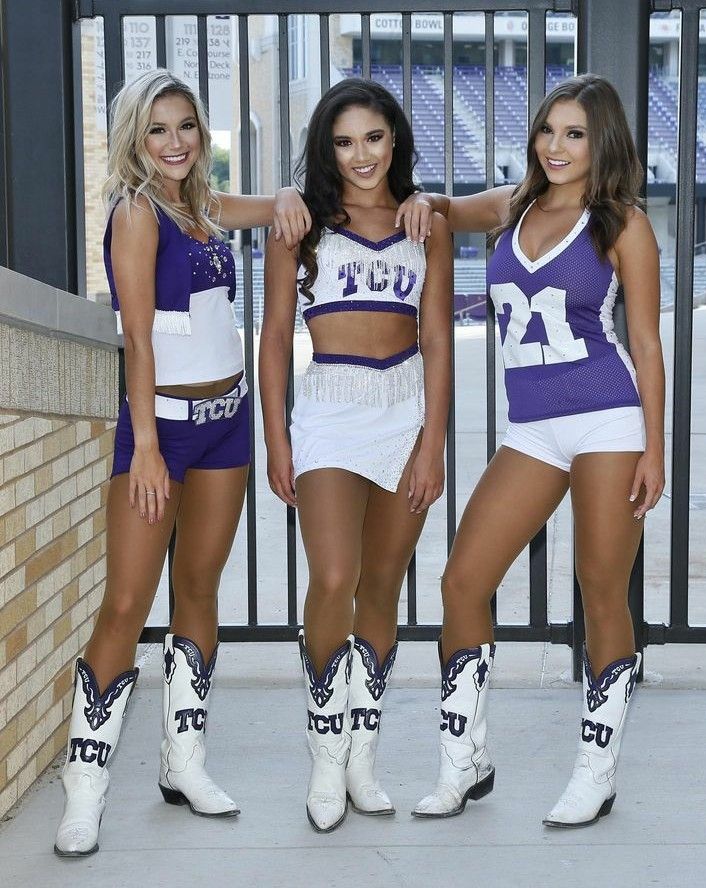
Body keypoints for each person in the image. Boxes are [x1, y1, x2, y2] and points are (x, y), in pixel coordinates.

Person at [396, 73, 665, 827]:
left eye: (574, 134)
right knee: (461, 581)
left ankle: (597, 771)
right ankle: (465, 761)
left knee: (601, 592)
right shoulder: (513, 205)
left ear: (600, 141)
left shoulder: (622, 225)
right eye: (548, 130)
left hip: (609, 420)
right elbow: (444, 207)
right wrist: (425, 203)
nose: (556, 146)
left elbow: (644, 341)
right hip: (533, 430)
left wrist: (654, 448)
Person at [53, 69, 310, 857]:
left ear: (202, 134)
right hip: (159, 435)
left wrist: (295, 196)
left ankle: (182, 762)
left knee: (198, 589)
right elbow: (137, 340)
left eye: (187, 127)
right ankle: (85, 789)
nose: (174, 142)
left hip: (226, 426)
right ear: (137, 135)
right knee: (127, 604)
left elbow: (272, 207)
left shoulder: (200, 207)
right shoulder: (136, 214)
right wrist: (150, 449)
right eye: (159, 128)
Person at [260, 78, 452, 832]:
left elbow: (436, 338)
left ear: (394, 140)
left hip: (403, 410)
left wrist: (432, 440)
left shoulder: (421, 223)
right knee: (334, 576)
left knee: (381, 588)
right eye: (344, 142)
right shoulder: (300, 223)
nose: (361, 155)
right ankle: (326, 753)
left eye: (373, 138)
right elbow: (276, 335)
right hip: (331, 411)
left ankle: (363, 757)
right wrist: (278, 436)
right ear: (326, 149)